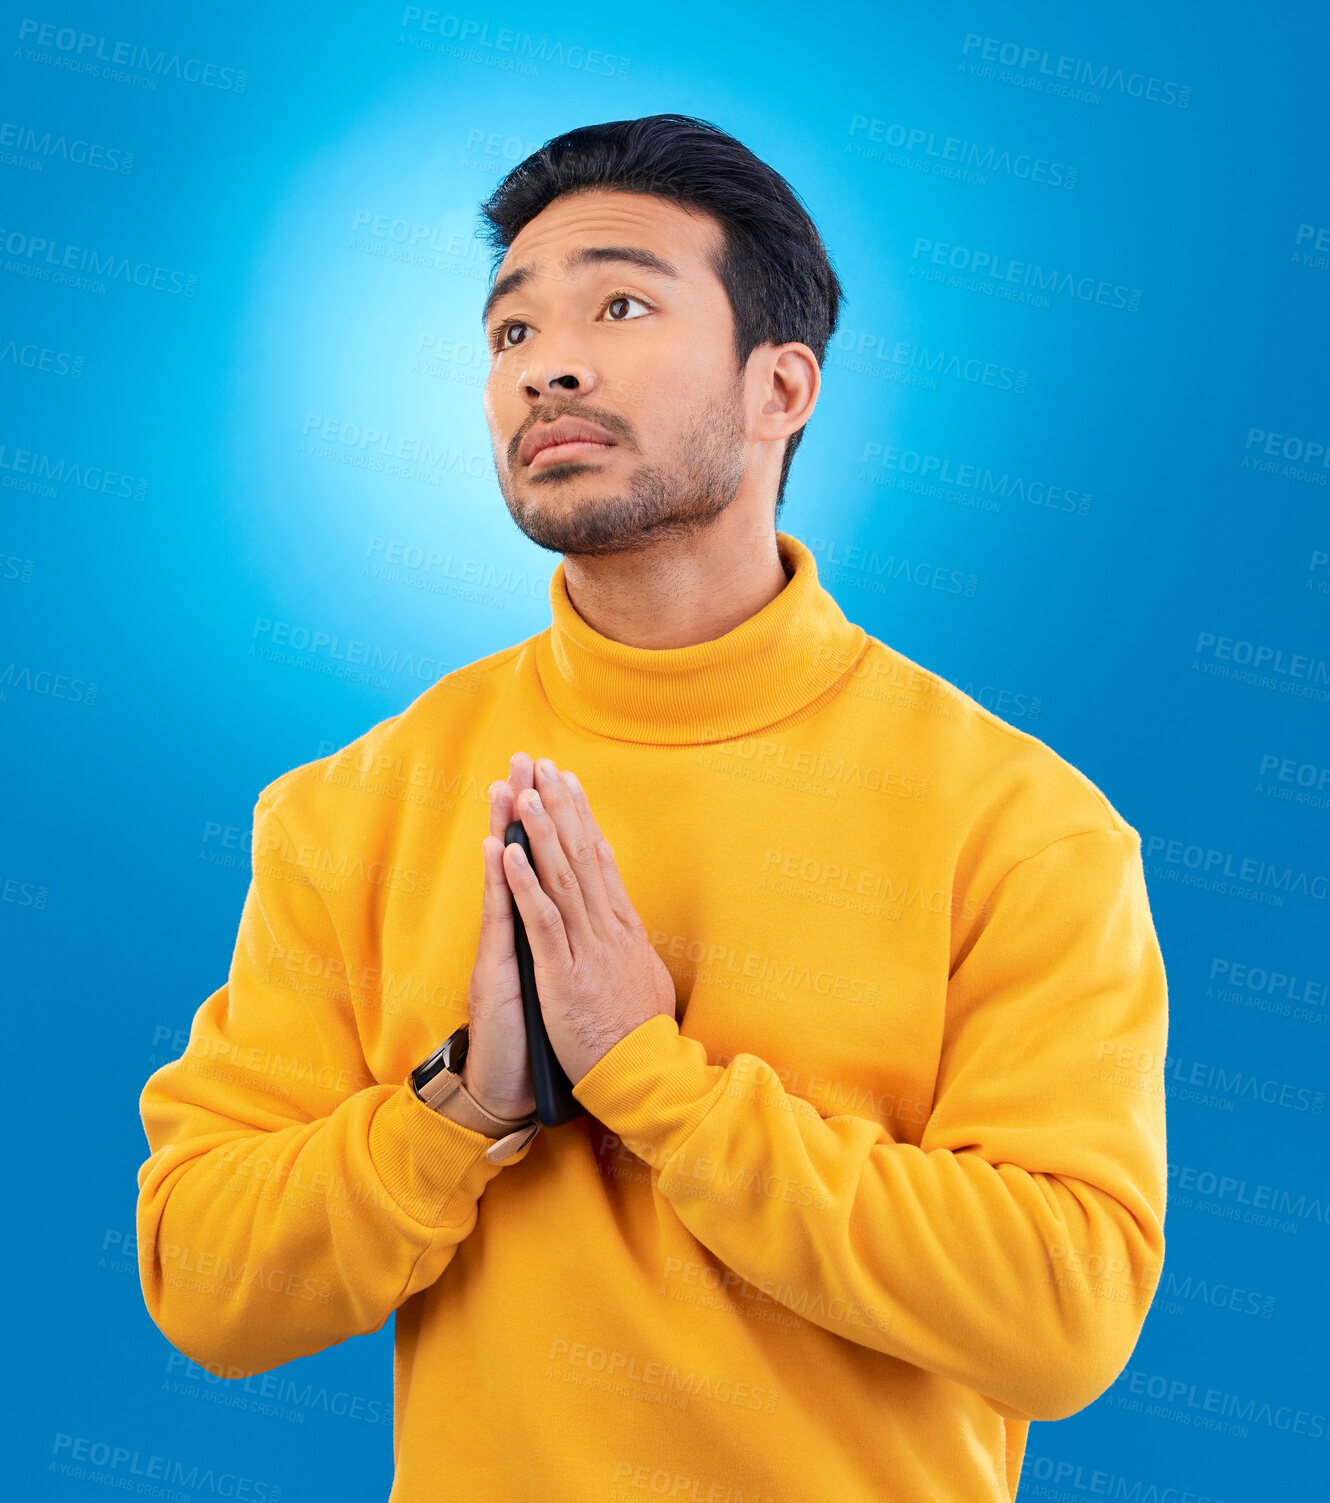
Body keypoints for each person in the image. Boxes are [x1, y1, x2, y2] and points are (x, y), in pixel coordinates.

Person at [137, 114, 1168, 1503]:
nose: (546, 364)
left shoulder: (1015, 821)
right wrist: (462, 1110)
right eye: (510, 334)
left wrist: (648, 1078)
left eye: (621, 305)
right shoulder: (353, 807)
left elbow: (1062, 1320)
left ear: (779, 388)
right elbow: (205, 1288)